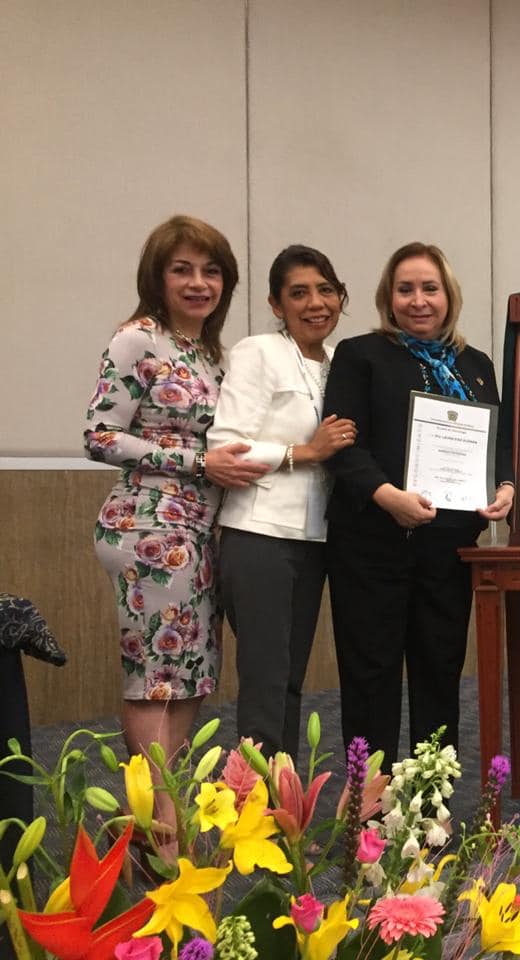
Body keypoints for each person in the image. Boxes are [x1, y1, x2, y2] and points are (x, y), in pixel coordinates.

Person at [84, 215, 269, 834]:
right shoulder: (139, 339)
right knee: (154, 676)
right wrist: (197, 462)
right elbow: (100, 434)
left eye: (211, 271)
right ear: (157, 278)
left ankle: (157, 818)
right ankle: (163, 824)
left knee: (191, 673)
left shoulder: (208, 353)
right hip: (146, 525)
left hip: (198, 530)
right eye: (182, 270)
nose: (198, 283)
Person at [322, 242, 514, 763]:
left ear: (449, 296)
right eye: (405, 289)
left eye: (430, 288)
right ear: (388, 297)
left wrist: (505, 489)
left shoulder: (476, 366)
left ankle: (430, 808)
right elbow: (342, 445)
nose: (418, 300)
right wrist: (389, 498)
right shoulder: (360, 355)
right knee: (371, 675)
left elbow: (499, 445)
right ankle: (370, 809)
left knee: (439, 671)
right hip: (370, 544)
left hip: (448, 548)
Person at [208, 245, 358, 758]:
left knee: (291, 682)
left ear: (341, 297)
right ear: (276, 304)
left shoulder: (343, 363)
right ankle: (256, 819)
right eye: (299, 293)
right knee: (266, 684)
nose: (315, 303)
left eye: (325, 290)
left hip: (316, 540)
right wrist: (305, 452)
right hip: (259, 537)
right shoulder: (258, 353)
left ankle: (280, 816)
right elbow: (224, 447)